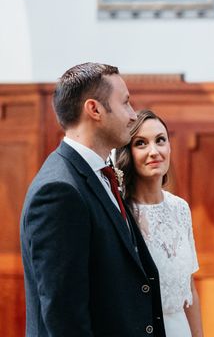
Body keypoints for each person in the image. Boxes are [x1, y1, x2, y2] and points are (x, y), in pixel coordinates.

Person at [20, 63, 166, 336]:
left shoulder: (100, 175)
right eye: (125, 103)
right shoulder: (59, 191)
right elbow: (64, 319)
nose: (133, 115)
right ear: (94, 109)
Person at [116, 110, 203, 337]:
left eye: (160, 140)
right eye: (141, 143)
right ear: (128, 152)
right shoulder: (120, 214)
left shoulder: (180, 209)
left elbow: (190, 290)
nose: (154, 151)